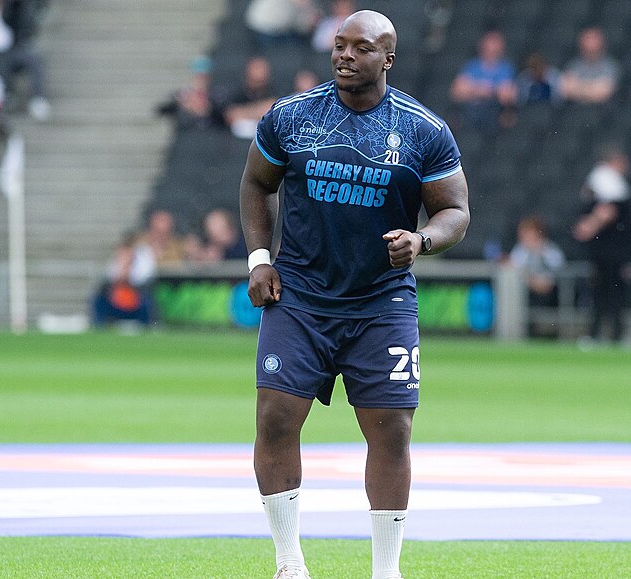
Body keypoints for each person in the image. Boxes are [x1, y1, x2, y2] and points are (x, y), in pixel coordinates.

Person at [239, 11, 469, 579]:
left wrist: (420, 240)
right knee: (274, 419)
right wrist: (260, 260)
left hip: (381, 302)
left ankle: (385, 570)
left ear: (387, 58)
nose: (344, 55)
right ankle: (288, 562)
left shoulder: (423, 130)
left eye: (360, 48)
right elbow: (255, 184)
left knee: (391, 430)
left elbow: (456, 211)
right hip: (300, 297)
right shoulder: (291, 118)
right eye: (338, 45)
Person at [573, 146, 631, 344]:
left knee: (606, 293)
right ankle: (606, 334)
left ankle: (604, 334)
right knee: (609, 293)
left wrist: (587, 226)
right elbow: (606, 211)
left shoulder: (600, 179)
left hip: (606, 249)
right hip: (610, 250)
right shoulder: (606, 178)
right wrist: (590, 226)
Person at [0, 0, 50, 121]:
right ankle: (7, 95)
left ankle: (37, 99)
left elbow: (22, 23)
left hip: (12, 48)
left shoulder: (11, 7)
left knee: (32, 59)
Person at [449, 30, 516, 130]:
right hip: (471, 111)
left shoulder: (506, 68)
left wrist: (479, 90)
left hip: (494, 112)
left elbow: (508, 96)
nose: (491, 50)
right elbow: (456, 92)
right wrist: (482, 91)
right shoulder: (472, 66)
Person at [92, 234, 155, 327]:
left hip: (135, 301)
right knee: (98, 298)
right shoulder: (114, 263)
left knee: (147, 298)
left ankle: (145, 325)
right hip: (117, 300)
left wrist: (128, 275)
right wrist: (121, 273)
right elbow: (109, 281)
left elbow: (144, 280)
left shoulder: (142, 263)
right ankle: (100, 325)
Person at [509, 215, 565, 307]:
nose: (526, 239)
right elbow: (515, 267)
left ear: (538, 234)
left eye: (529, 235)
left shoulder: (550, 249)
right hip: (527, 291)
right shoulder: (520, 250)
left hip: (550, 291)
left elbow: (559, 267)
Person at [219, 56, 278, 139]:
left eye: (263, 68)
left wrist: (244, 112)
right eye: (256, 68)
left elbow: (273, 112)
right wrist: (258, 111)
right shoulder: (237, 92)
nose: (260, 72)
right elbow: (230, 115)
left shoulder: (274, 90)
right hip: (236, 141)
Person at [156, 56, 220, 130]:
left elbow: (222, 115)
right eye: (198, 76)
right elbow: (161, 110)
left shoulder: (218, 95)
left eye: (204, 77)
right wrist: (184, 106)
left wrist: (207, 108)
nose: (201, 80)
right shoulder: (180, 95)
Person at [561, 28, 619, 105]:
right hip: (575, 109)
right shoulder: (574, 65)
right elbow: (566, 89)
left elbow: (604, 92)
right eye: (587, 39)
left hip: (602, 110)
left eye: (593, 39)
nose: (590, 43)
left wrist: (578, 87)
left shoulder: (610, 66)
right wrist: (592, 88)